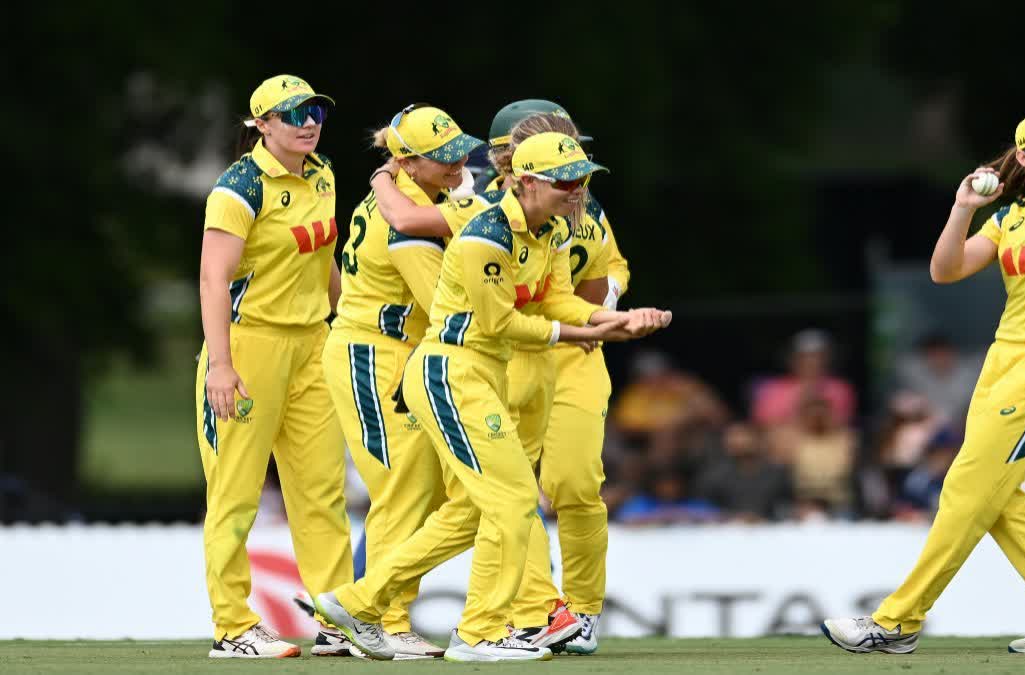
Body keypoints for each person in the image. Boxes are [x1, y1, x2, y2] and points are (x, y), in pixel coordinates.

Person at [314, 131, 671, 662]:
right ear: (526, 181)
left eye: (583, 180)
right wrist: (594, 333)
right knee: (513, 501)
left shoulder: (547, 231)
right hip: (450, 375)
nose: (578, 192)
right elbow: (502, 322)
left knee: (472, 511)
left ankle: (357, 601)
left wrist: (612, 319)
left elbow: (557, 299)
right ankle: (479, 634)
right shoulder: (487, 233)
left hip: (477, 376)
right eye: (566, 182)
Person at [822, 108, 1025, 655]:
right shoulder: (1010, 215)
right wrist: (961, 209)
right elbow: (944, 271)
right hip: (1003, 362)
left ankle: (897, 621)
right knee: (994, 494)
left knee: (967, 488)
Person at [370, 104, 632, 654]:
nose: (575, 172)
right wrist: (382, 174)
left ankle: (578, 611)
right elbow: (410, 231)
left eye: (577, 157)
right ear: (510, 157)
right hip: (501, 355)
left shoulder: (579, 206)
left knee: (574, 485)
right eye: (562, 158)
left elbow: (610, 268)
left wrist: (604, 310)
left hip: (572, 350)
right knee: (505, 494)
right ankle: (532, 611)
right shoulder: (484, 206)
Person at [320, 104, 487, 659]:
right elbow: (443, 302)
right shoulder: (410, 216)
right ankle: (381, 620)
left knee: (415, 490)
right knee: (403, 490)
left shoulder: (414, 193)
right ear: (407, 161)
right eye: (442, 157)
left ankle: (364, 615)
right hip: (374, 354)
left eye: (458, 149)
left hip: (392, 354)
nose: (458, 161)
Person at [196, 74, 353, 659]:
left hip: (313, 342)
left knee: (321, 490)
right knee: (235, 491)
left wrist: (350, 319)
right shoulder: (238, 189)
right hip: (248, 346)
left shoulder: (324, 173)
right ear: (261, 125)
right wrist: (220, 365)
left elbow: (323, 259)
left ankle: (338, 621)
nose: (308, 122)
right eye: (292, 115)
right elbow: (214, 279)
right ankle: (233, 628)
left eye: (314, 110)